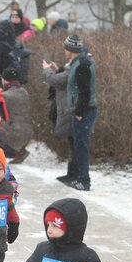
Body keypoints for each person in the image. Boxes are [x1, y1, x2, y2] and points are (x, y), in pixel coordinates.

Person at [63, 33, 97, 191]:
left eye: (66, 48)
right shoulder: (78, 62)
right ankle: (78, 177)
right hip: (82, 110)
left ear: (70, 49)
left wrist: (79, 111)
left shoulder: (81, 64)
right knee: (78, 144)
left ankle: (84, 180)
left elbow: (85, 91)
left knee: (81, 145)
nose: (64, 51)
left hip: (84, 111)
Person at [42, 54, 75, 182]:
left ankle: (76, 176)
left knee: (75, 143)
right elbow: (62, 79)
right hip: (68, 108)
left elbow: (56, 81)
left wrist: (47, 70)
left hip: (70, 109)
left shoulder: (76, 66)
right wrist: (58, 70)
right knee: (73, 142)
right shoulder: (73, 66)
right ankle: (72, 174)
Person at [0, 66, 32, 163]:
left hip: (15, 131)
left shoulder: (4, 95)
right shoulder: (24, 92)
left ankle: (14, 151)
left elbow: (1, 115)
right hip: (27, 130)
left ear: (5, 80)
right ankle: (19, 151)